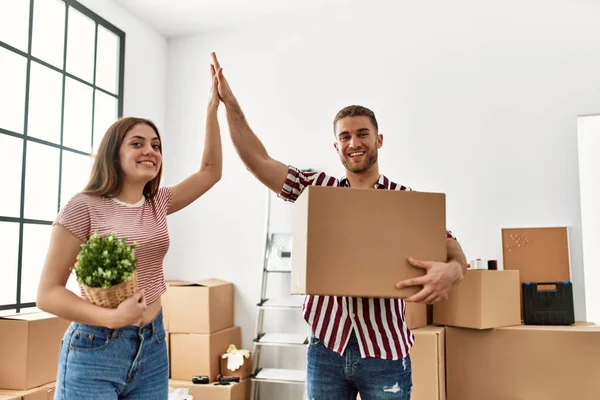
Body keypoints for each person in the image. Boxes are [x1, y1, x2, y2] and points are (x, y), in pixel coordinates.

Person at [209, 52, 467, 400]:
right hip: (325, 348)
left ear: (379, 139)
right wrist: (230, 105)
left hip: (386, 353)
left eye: (362, 134)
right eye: (344, 137)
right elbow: (258, 161)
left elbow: (451, 246)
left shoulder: (404, 200)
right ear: (336, 146)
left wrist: (453, 270)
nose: (353, 143)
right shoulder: (316, 190)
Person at [36, 60, 224, 399]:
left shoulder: (158, 203)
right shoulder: (84, 206)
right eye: (137, 143)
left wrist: (212, 108)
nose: (150, 151)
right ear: (114, 153)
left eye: (156, 145)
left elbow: (210, 171)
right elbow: (47, 293)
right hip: (96, 348)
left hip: (152, 345)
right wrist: (111, 318)